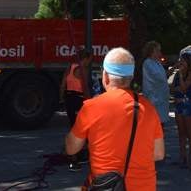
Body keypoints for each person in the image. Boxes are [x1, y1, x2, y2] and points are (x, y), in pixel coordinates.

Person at [65, 47, 164, 190]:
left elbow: (71, 149)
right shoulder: (148, 108)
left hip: (106, 186)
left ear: (105, 76)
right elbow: (158, 154)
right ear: (130, 78)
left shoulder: (91, 107)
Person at [59, 48, 93, 171]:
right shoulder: (83, 70)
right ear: (85, 59)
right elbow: (85, 89)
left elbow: (63, 84)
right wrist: (90, 102)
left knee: (74, 127)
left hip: (69, 99)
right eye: (89, 59)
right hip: (78, 100)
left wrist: (62, 98)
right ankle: (74, 160)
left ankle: (78, 154)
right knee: (81, 130)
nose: (89, 62)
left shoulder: (70, 67)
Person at [172, 53, 191, 168]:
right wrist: (179, 87)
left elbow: (183, 87)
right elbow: (172, 88)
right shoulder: (177, 74)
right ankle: (182, 157)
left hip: (187, 104)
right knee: (181, 132)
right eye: (179, 60)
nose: (180, 63)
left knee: (189, 132)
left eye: (183, 61)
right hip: (178, 104)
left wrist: (181, 76)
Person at [141, 40, 169, 125]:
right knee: (155, 125)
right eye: (158, 50)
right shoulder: (148, 63)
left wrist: (175, 67)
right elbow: (159, 77)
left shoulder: (157, 63)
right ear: (153, 51)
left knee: (161, 124)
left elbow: (163, 76)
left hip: (160, 98)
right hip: (153, 98)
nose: (160, 53)